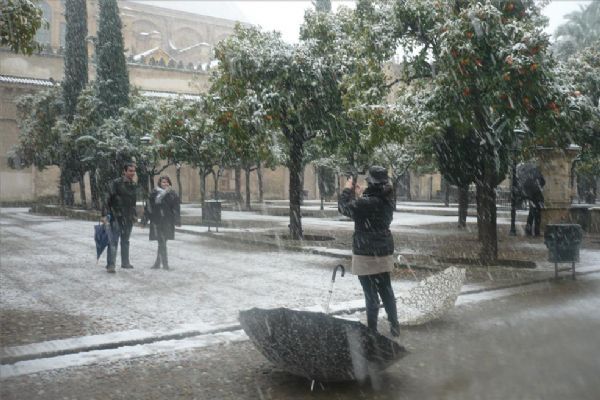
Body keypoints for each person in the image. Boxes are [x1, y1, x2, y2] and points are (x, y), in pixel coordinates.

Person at [338, 166, 400, 337]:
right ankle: (395, 325)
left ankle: (372, 331)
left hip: (365, 252)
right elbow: (369, 206)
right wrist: (361, 194)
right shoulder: (387, 200)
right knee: (386, 289)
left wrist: (347, 187)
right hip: (383, 250)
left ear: (371, 183)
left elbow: (343, 207)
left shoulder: (368, 203)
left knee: (370, 293)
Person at [103, 163, 138, 273]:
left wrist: (134, 214)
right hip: (116, 215)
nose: (132, 173)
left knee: (125, 240)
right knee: (113, 241)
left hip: (128, 217)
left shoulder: (133, 184)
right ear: (124, 171)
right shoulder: (116, 183)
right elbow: (107, 198)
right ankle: (111, 265)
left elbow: (133, 202)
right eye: (130, 171)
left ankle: (125, 263)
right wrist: (104, 214)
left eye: (133, 171)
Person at [146, 175, 181, 270]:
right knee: (162, 242)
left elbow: (176, 208)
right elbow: (149, 207)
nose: (165, 184)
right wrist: (144, 220)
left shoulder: (172, 194)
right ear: (160, 183)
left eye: (167, 182)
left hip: (167, 221)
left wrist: (177, 220)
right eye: (163, 182)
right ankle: (165, 264)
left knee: (162, 242)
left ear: (169, 183)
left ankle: (158, 263)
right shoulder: (154, 193)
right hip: (157, 221)